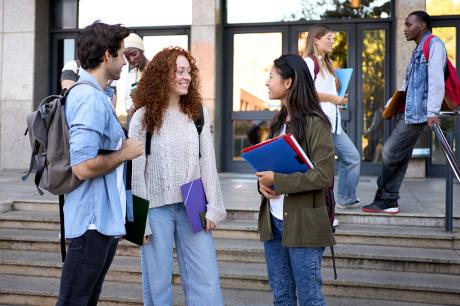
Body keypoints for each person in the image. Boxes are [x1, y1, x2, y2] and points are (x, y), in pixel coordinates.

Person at [129, 47, 226, 306]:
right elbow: (137, 171)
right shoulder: (142, 117)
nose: (186, 77)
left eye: (189, 71)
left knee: (205, 279)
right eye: (179, 71)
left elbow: (207, 162)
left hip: (193, 200)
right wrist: (140, 222)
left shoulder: (197, 112)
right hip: (155, 208)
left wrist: (214, 207)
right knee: (158, 286)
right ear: (163, 76)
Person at [56, 21, 143, 305]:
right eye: (120, 54)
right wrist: (123, 153)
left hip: (100, 222)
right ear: (107, 56)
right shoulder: (88, 98)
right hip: (90, 225)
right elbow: (82, 167)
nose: (124, 60)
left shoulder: (99, 96)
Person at [256, 54, 335, 306]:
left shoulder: (315, 122)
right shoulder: (278, 121)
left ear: (288, 82)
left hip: (303, 224)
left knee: (310, 299)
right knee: (282, 298)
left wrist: (278, 180)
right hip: (274, 222)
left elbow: (324, 175)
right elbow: (272, 168)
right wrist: (263, 184)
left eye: (271, 76)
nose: (267, 82)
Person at [362, 11, 447, 214]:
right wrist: (392, 103)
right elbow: (407, 83)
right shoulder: (418, 49)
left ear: (423, 26)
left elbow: (436, 80)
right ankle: (389, 200)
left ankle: (385, 197)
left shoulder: (434, 45)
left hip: (419, 114)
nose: (405, 28)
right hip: (410, 112)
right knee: (399, 156)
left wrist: (433, 112)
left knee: (390, 151)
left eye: (409, 24)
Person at [304, 24, 361, 214]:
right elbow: (305, 92)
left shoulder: (327, 63)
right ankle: (325, 212)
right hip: (318, 123)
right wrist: (332, 98)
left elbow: (328, 92)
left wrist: (338, 98)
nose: (332, 41)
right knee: (322, 169)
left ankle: (345, 197)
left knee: (352, 158)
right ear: (316, 40)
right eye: (328, 38)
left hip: (333, 123)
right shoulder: (309, 63)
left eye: (333, 38)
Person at [123, 33, 149, 124]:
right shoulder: (131, 75)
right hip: (137, 121)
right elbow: (128, 100)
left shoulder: (155, 70)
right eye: (127, 58)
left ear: (141, 50)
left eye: (133, 54)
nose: (132, 60)